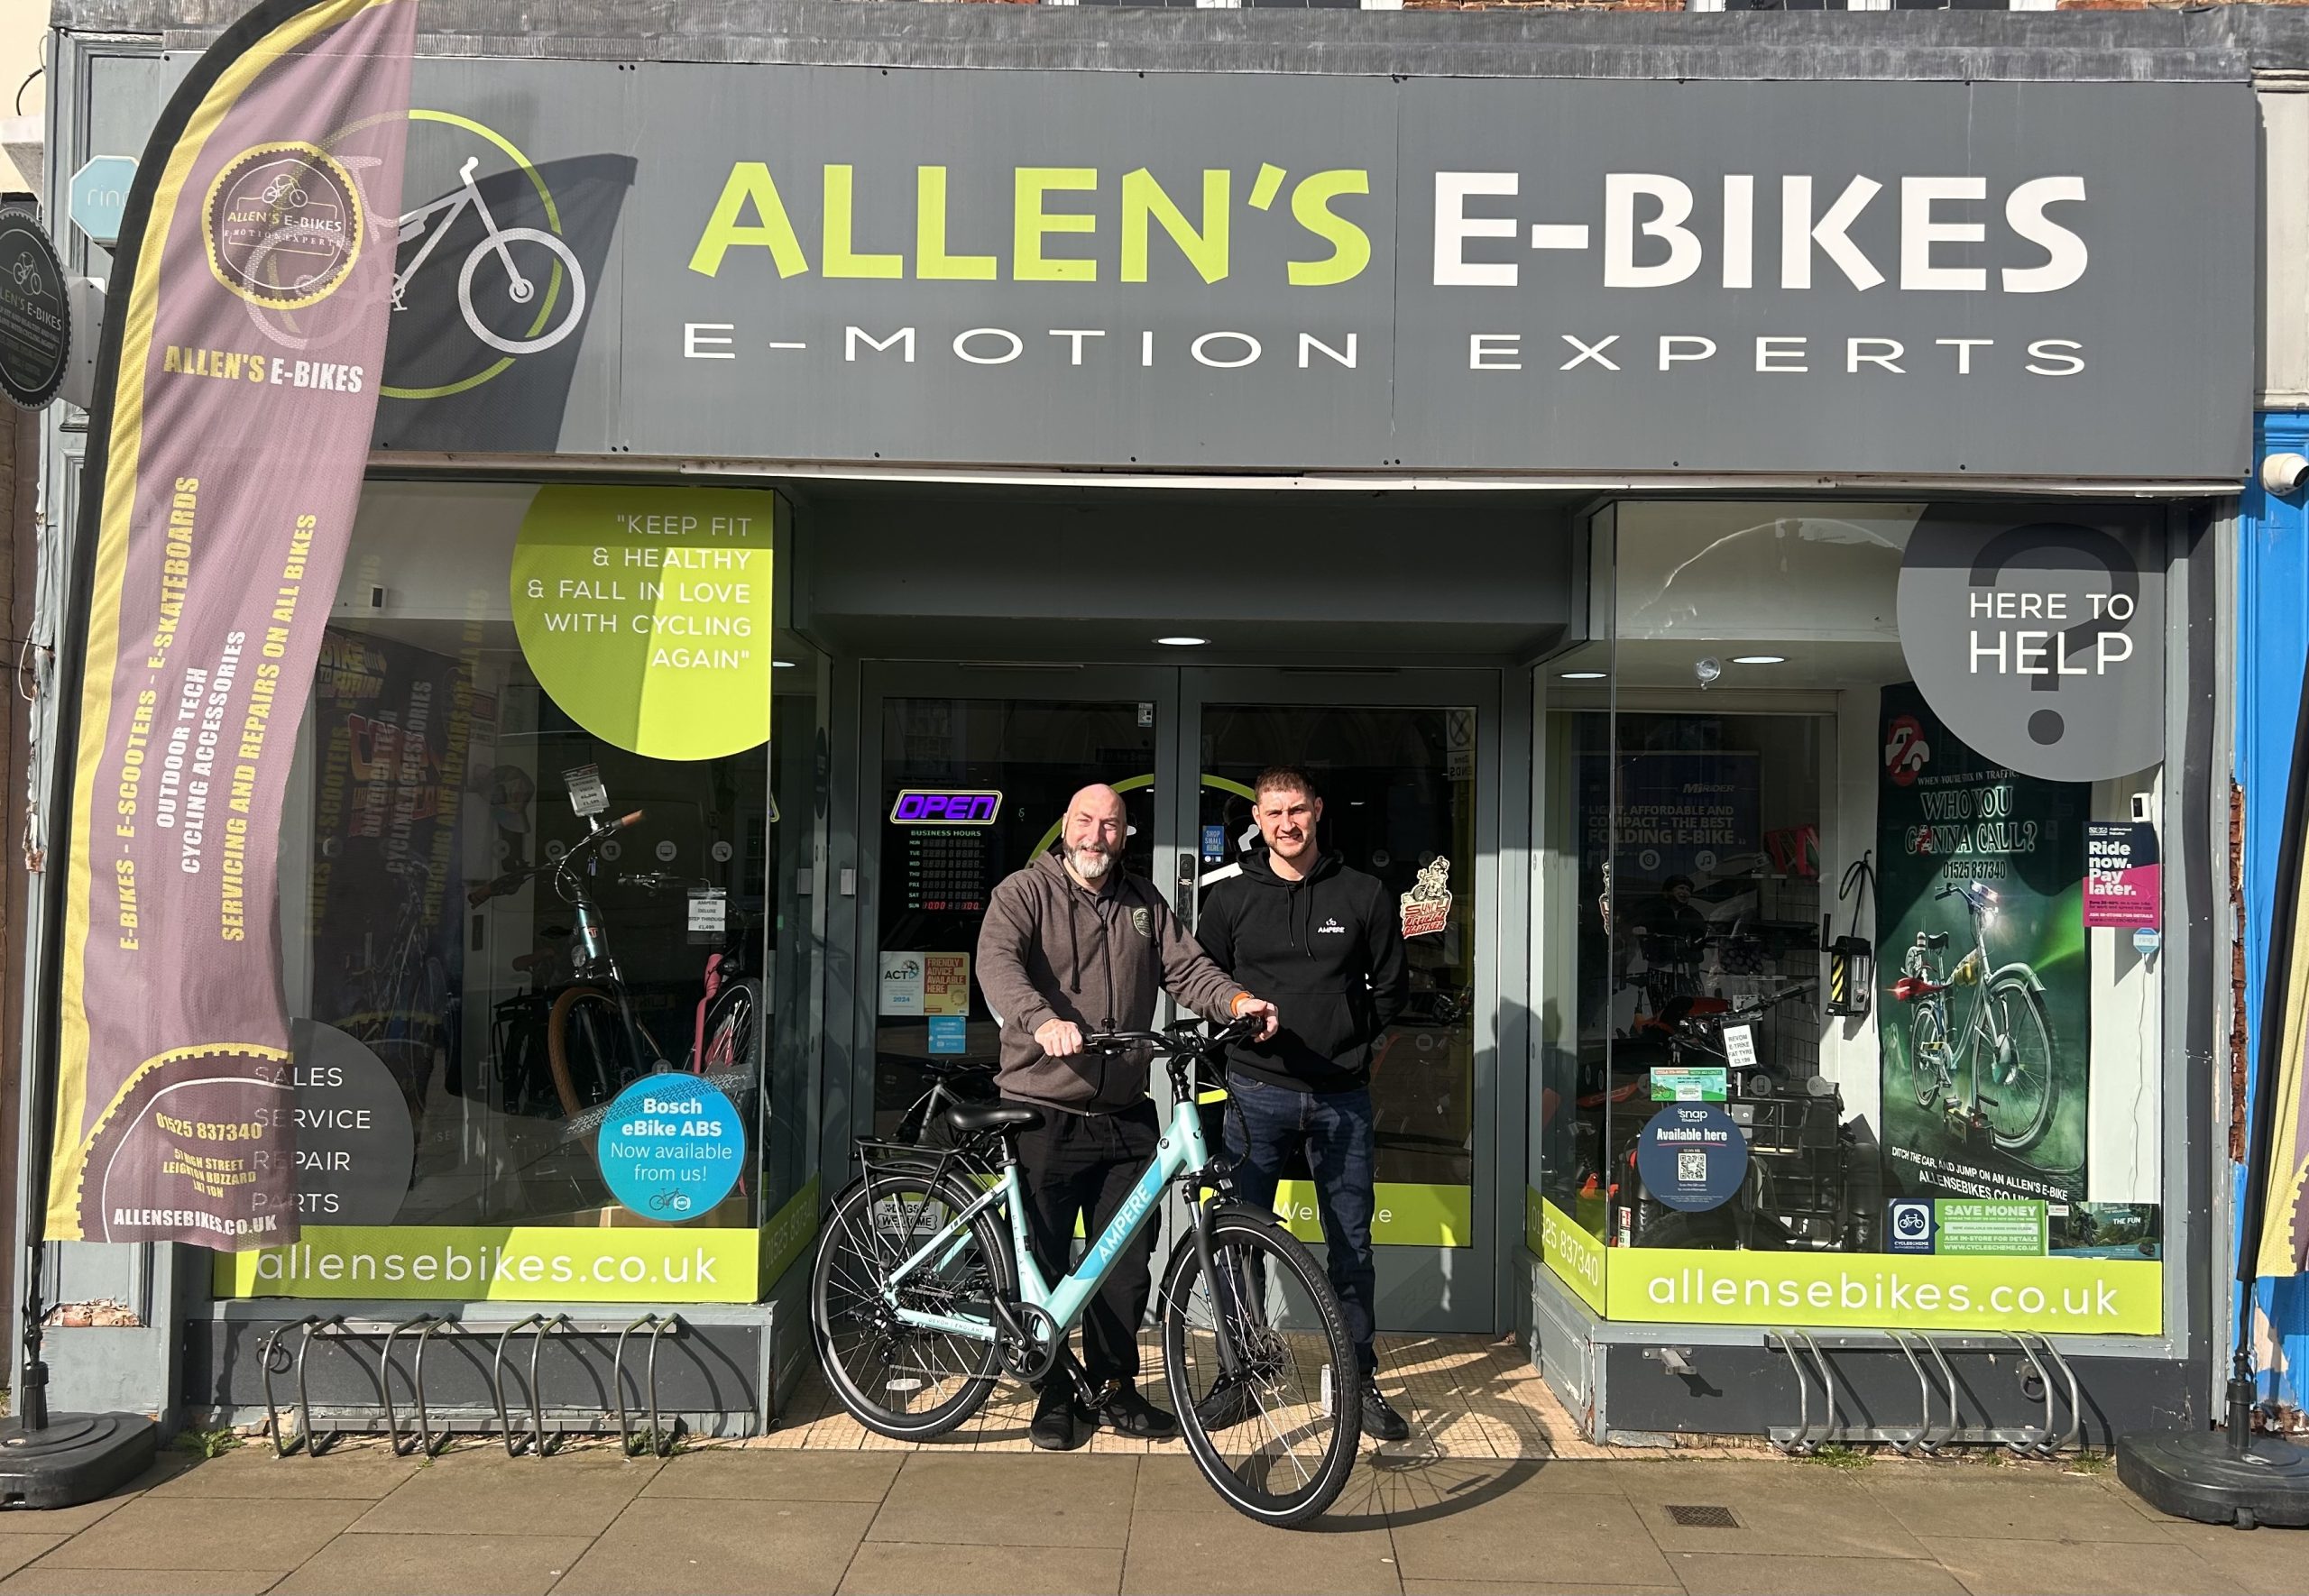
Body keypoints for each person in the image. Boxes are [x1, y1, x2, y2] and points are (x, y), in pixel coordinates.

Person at [977, 783, 1278, 1452]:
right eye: (1085, 821)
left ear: (1125, 835)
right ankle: (1054, 1392)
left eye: (1111, 826)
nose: (1097, 836)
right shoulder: (1024, 893)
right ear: (1065, 825)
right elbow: (996, 966)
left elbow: (1188, 969)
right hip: (1042, 1108)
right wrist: (1042, 1020)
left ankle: (1114, 1387)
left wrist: (1235, 1003)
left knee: (1124, 1266)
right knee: (1048, 1259)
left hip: (1122, 1112)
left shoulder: (1142, 902)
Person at [1195, 766, 1413, 1443]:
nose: (1286, 824)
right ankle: (1241, 1372)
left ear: (1318, 811)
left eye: (1297, 811)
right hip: (1254, 1094)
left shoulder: (1364, 894)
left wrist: (1349, 1045)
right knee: (1238, 1243)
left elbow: (1391, 993)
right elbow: (1205, 983)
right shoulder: (1229, 901)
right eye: (1273, 813)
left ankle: (1359, 1380)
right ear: (1255, 821)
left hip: (1341, 1098)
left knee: (1351, 1246)